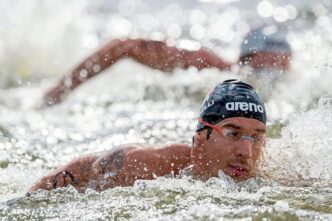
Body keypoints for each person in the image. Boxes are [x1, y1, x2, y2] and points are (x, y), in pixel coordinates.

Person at [29, 79, 267, 193]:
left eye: (256, 137)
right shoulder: (145, 166)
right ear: (200, 138)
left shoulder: (276, 172)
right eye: (232, 133)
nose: (246, 152)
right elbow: (76, 171)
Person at [41, 25, 291, 107]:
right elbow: (123, 46)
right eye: (278, 57)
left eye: (287, 59)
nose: (285, 66)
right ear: (255, 55)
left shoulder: (288, 91)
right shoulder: (207, 64)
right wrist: (61, 90)